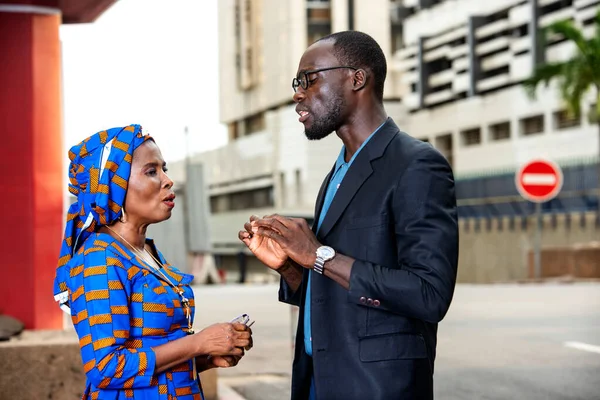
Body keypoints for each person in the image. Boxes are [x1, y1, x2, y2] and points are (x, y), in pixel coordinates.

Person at [239, 31, 458, 399]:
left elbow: (428, 294)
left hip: (377, 389)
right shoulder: (336, 174)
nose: (298, 93)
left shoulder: (417, 164)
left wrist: (318, 255)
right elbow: (332, 291)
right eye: (298, 83)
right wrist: (291, 268)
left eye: (310, 79)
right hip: (318, 382)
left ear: (357, 78)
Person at [54, 124, 253, 400]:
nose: (167, 180)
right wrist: (198, 343)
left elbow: (152, 353)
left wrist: (208, 357)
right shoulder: (99, 259)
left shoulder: (146, 254)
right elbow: (106, 368)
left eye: (164, 168)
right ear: (114, 185)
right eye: (151, 171)